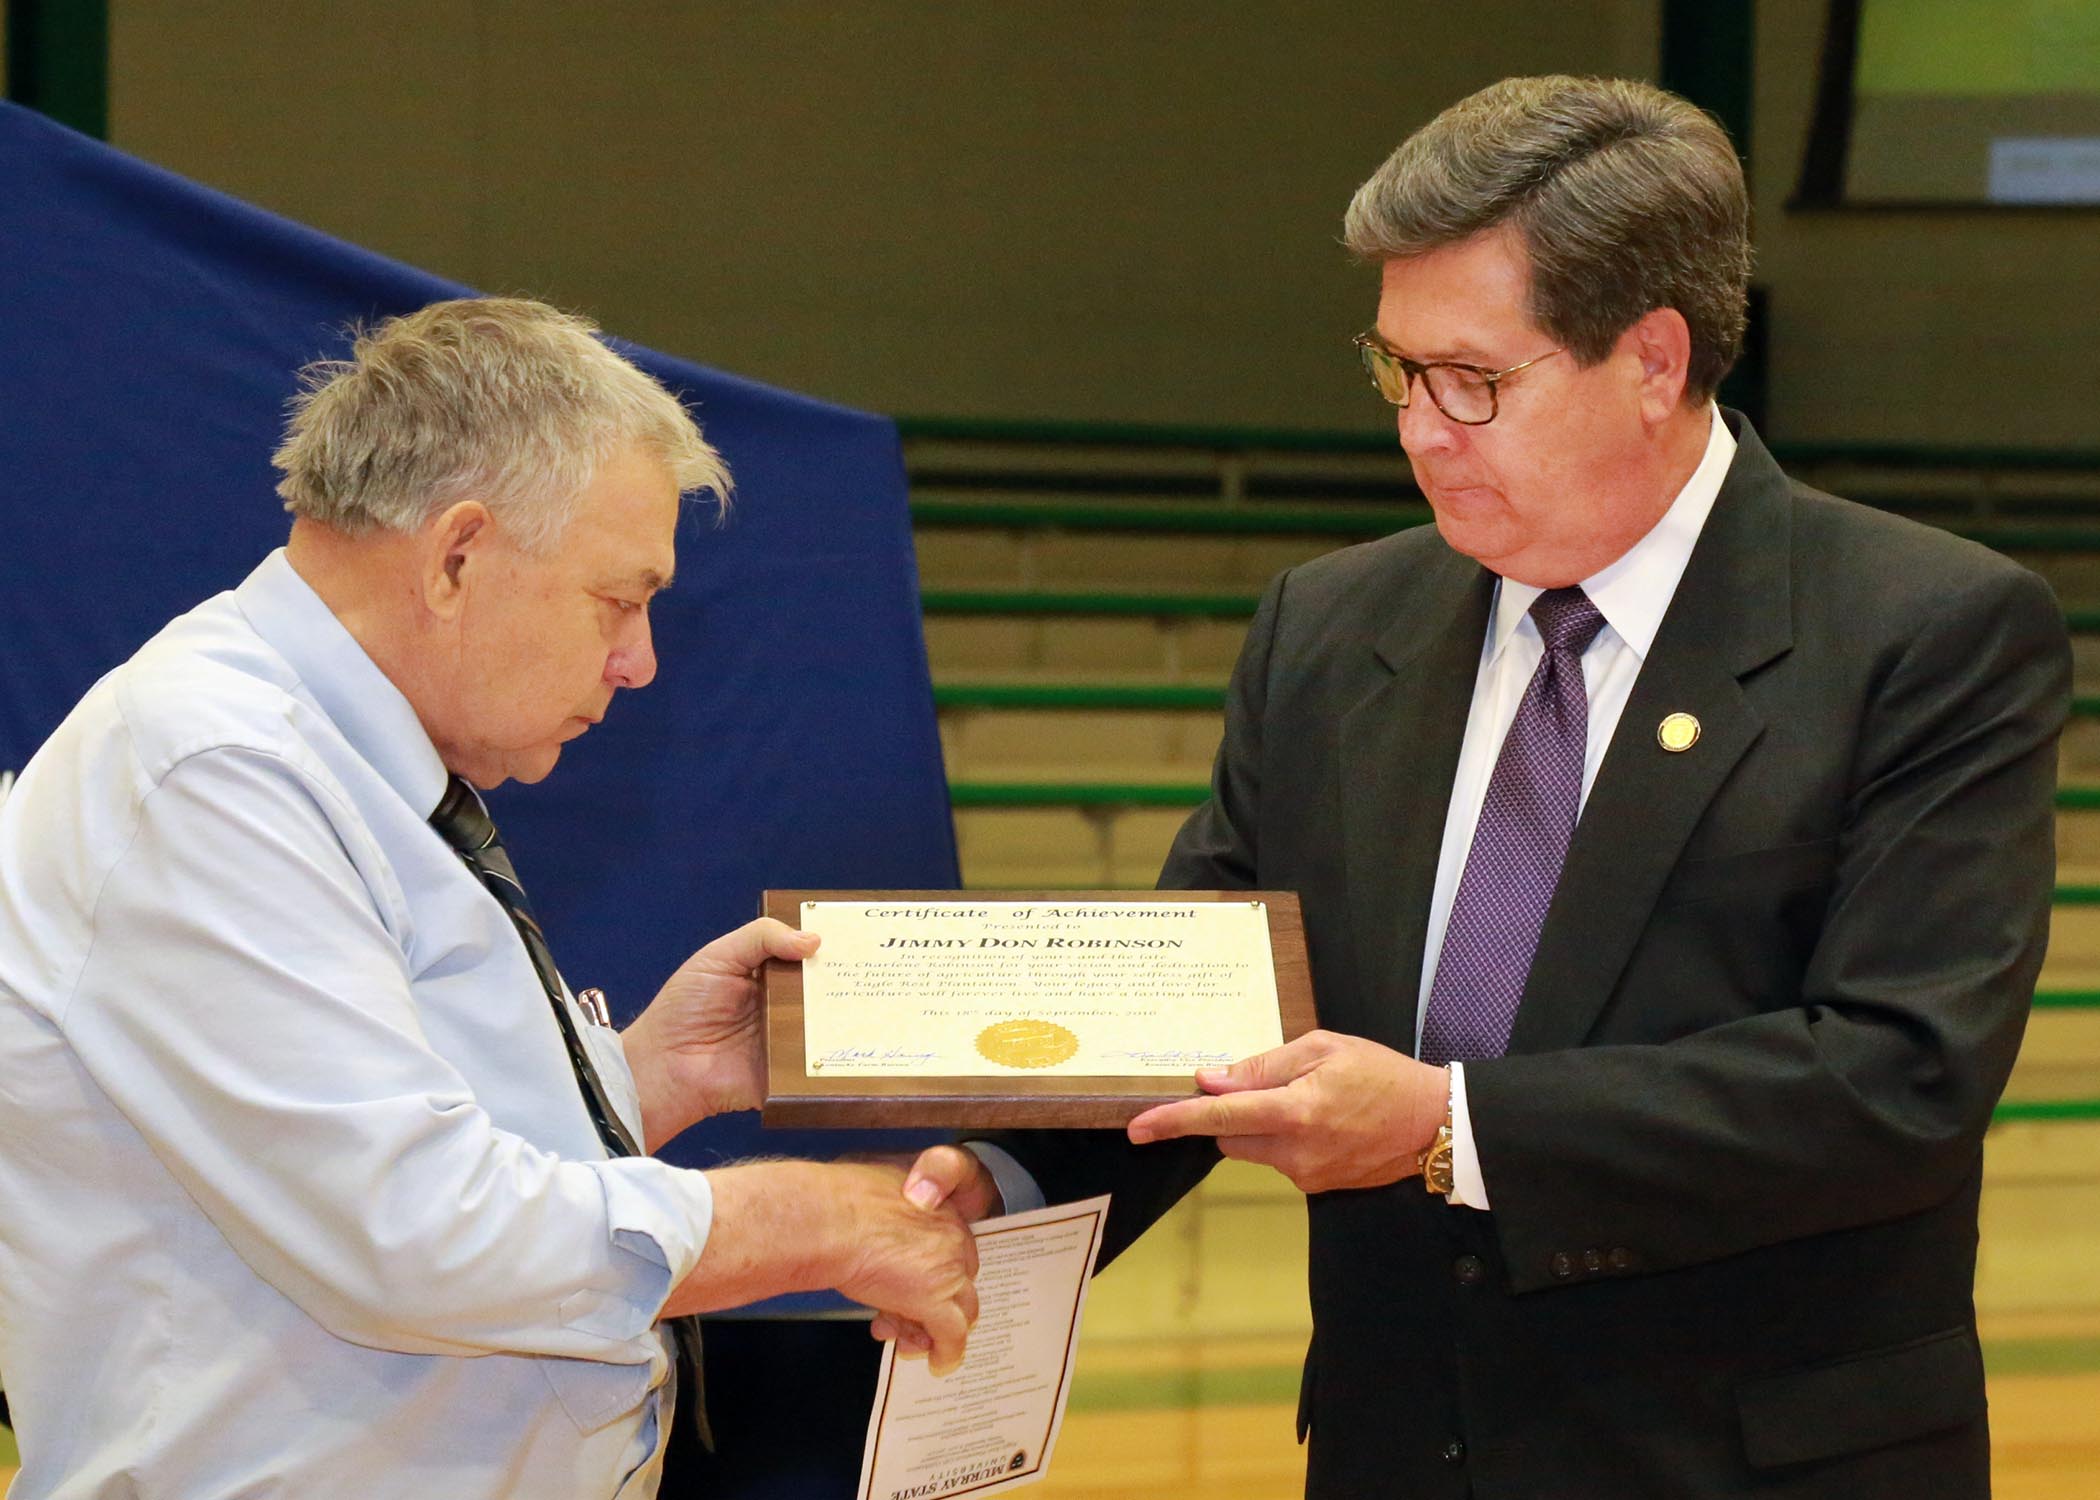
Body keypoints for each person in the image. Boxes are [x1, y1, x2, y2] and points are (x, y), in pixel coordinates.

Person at [910, 75, 2070, 1497]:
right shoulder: (1332, 630)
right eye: (1398, 371)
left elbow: (1897, 1076)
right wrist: (1004, 1177)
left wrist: (1449, 1129)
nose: (1419, 430)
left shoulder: (1925, 633)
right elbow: (1205, 999)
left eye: (1475, 380)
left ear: (1653, 361)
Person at [0, 298, 983, 1500]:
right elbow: (414, 1230)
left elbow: (398, 1136)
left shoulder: (336, 755)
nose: (639, 660)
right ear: (458, 556)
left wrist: (650, 1076)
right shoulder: (216, 771)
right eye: (619, 599)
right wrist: (816, 1219)